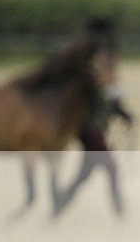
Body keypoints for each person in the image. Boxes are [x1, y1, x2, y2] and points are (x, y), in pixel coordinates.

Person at [54, 18, 134, 217]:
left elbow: (109, 101)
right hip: (90, 129)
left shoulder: (99, 69)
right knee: (111, 168)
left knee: (84, 174)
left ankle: (59, 206)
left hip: (94, 128)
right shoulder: (88, 72)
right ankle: (120, 214)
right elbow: (98, 101)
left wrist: (123, 113)